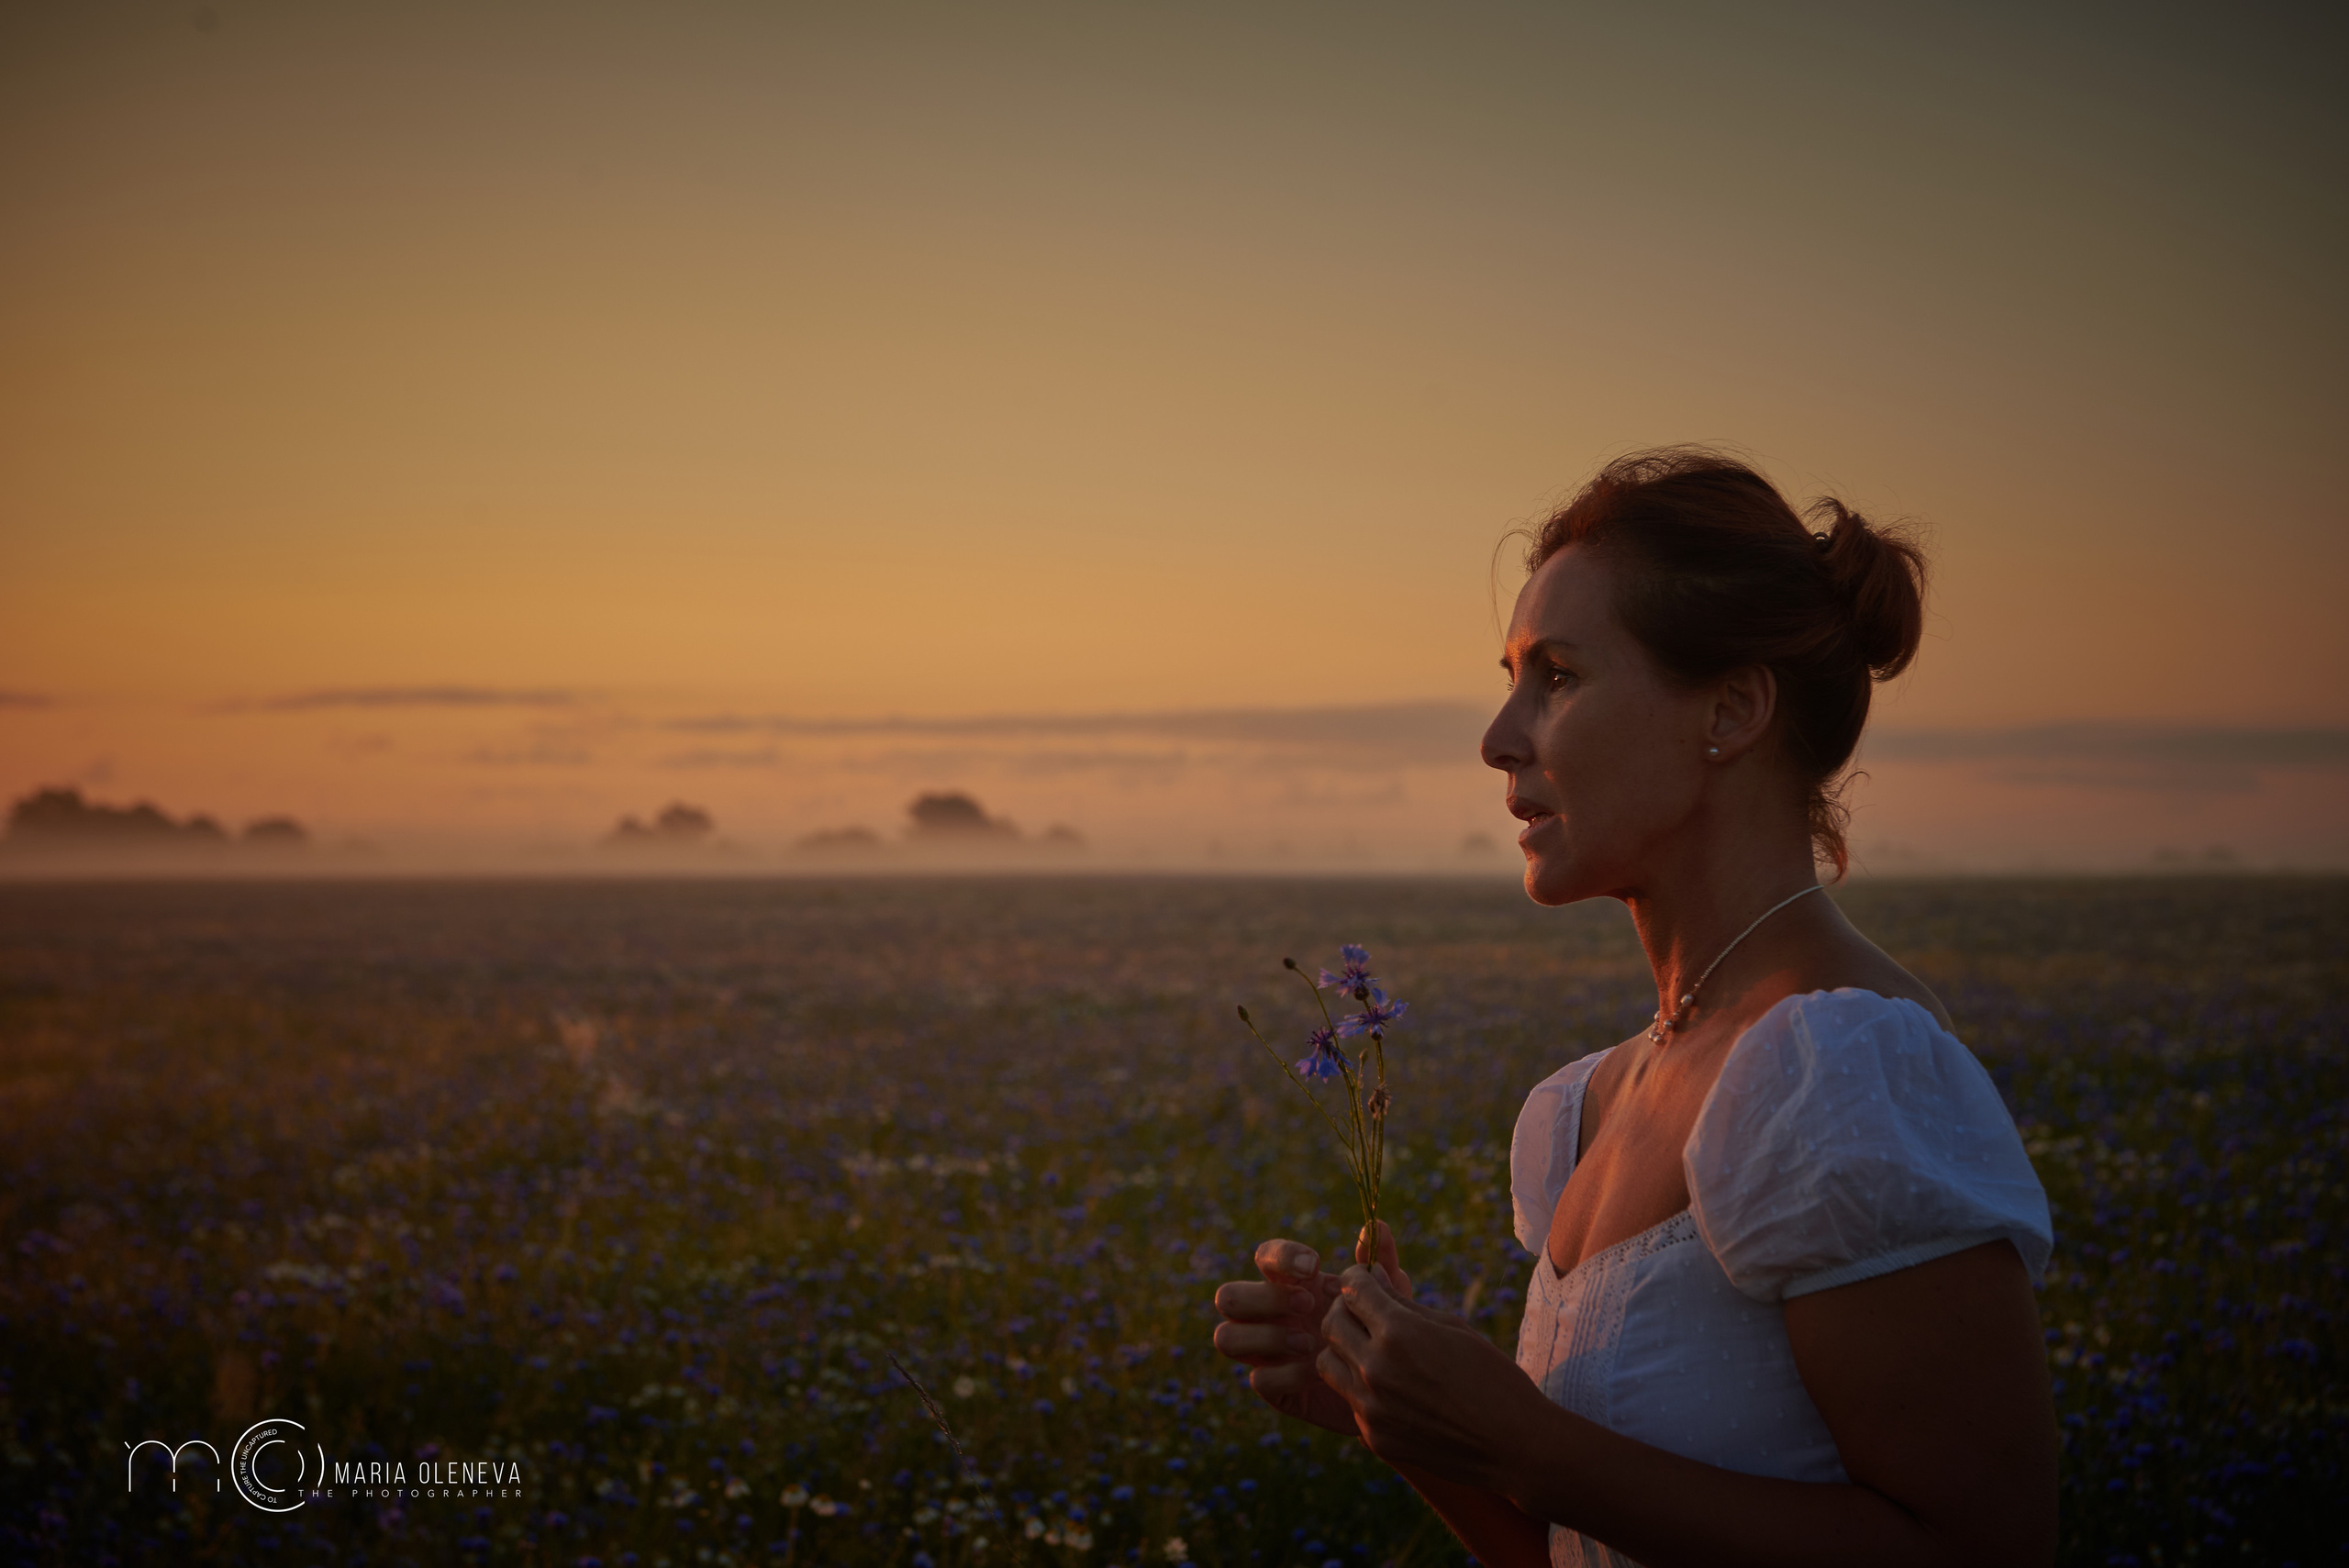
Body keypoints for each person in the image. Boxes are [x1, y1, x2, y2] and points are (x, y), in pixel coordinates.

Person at [1211, 449, 2057, 1566]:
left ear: (1731, 707)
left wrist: (1524, 1438)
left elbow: (1986, 1550)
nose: (1498, 736)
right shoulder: (1587, 1102)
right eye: (1510, 674)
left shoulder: (1835, 1064)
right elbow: (1568, 1544)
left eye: (1555, 675)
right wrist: (1402, 1412)